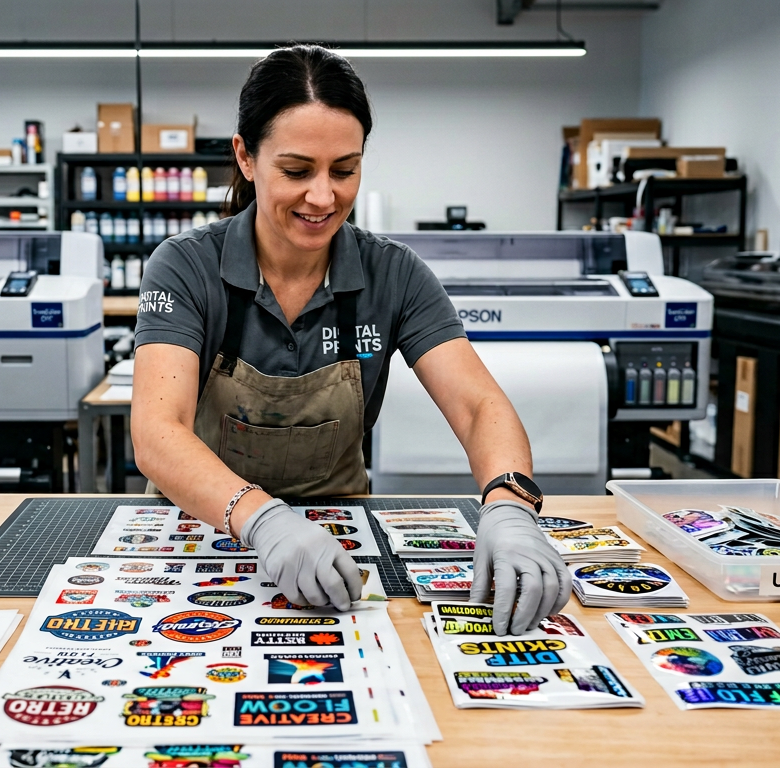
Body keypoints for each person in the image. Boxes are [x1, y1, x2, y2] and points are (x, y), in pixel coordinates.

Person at [130, 44, 568, 635]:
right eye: (296, 171)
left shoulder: (393, 273)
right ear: (246, 157)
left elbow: (478, 405)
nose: (322, 197)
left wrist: (510, 505)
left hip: (343, 540)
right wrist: (263, 521)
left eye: (344, 169)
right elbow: (157, 434)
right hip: (200, 536)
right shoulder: (186, 267)